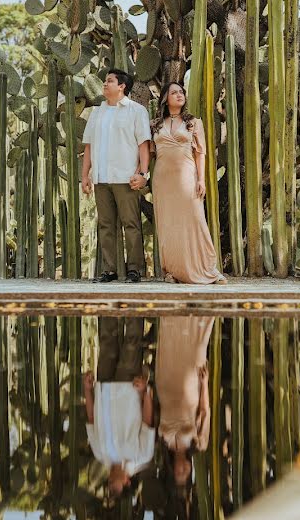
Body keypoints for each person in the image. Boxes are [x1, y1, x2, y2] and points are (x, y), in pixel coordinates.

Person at [151, 82, 226, 284]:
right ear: (165, 98)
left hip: (186, 176)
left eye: (182, 92)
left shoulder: (194, 122)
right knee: (168, 224)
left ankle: (209, 269)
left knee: (195, 220)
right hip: (162, 179)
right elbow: (149, 152)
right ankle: (172, 272)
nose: (179, 95)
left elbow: (200, 153)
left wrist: (201, 179)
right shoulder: (155, 124)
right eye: (174, 92)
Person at [81, 69, 152, 283]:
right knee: (105, 225)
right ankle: (109, 270)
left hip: (126, 179)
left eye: (109, 81)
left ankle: (134, 269)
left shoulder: (136, 111)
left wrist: (143, 173)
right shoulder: (96, 113)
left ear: (122, 86)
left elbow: (144, 145)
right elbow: (89, 147)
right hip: (101, 178)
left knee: (131, 224)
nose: (104, 84)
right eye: (105, 81)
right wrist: (85, 176)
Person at [84, 317, 155, 496]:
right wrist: (145, 391)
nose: (110, 480)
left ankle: (107, 296)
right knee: (132, 340)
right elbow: (147, 421)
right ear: (126, 481)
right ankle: (134, 296)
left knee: (107, 341)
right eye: (114, 485)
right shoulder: (141, 456)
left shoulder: (100, 453)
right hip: (128, 388)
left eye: (108, 483)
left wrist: (87, 390)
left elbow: (92, 419)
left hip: (104, 388)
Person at [155, 316, 214, 492]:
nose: (182, 470)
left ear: (172, 470)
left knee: (169, 343)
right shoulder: (199, 444)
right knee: (196, 347)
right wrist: (204, 385)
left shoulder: (162, 443)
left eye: (178, 473)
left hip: (166, 381)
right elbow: (204, 411)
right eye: (185, 474)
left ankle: (174, 309)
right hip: (191, 387)